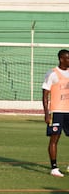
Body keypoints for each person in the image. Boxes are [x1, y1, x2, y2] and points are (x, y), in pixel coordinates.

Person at [42, 49, 69, 177]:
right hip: (56, 111)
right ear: (61, 59)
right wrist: (47, 113)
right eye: (67, 58)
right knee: (55, 138)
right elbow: (45, 95)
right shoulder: (52, 73)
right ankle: (54, 167)